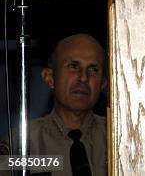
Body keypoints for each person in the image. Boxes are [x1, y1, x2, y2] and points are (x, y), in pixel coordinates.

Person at [0, 34, 107, 175]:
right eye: (74, 66)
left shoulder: (117, 138)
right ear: (49, 78)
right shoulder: (23, 144)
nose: (83, 78)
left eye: (93, 69)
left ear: (104, 82)